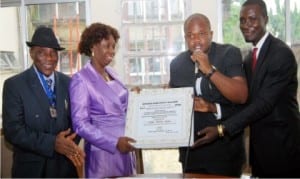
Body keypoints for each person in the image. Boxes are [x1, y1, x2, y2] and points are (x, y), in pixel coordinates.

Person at [194, 0, 300, 177]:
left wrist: (221, 129)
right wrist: (213, 107)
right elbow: (244, 100)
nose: (246, 25)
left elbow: (263, 104)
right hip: (260, 152)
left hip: (284, 149)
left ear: (265, 19)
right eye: (242, 20)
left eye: (252, 19)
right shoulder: (250, 57)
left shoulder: (281, 54)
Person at [169, 13, 248, 177]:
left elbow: (241, 97)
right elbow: (173, 105)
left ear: (211, 34)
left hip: (225, 152)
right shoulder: (176, 64)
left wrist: (209, 70)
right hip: (191, 155)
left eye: (202, 34)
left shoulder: (229, 54)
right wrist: (147, 98)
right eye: (190, 35)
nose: (196, 40)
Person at [2, 26, 85, 178]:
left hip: (65, 168)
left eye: (53, 53)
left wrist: (68, 143)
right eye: (42, 52)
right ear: (32, 53)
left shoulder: (69, 83)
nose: (49, 58)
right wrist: (52, 143)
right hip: (32, 171)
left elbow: (78, 121)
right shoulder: (14, 85)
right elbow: (13, 131)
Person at [69, 22, 136, 178]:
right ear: (93, 46)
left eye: (114, 46)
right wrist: (114, 143)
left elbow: (121, 107)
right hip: (104, 154)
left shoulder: (113, 73)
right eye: (107, 46)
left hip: (126, 149)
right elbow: (80, 124)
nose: (112, 51)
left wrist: (136, 98)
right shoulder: (81, 79)